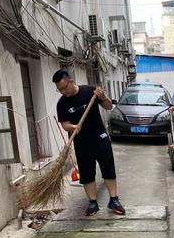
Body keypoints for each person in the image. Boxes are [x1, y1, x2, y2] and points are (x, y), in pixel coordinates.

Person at [53, 70, 125, 217]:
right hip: (81, 141)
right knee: (86, 173)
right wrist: (72, 127)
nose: (62, 91)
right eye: (59, 89)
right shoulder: (62, 103)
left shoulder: (89, 91)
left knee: (108, 167)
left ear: (71, 82)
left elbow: (108, 106)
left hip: (100, 136)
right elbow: (65, 124)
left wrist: (102, 97)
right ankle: (92, 202)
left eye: (64, 87)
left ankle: (114, 199)